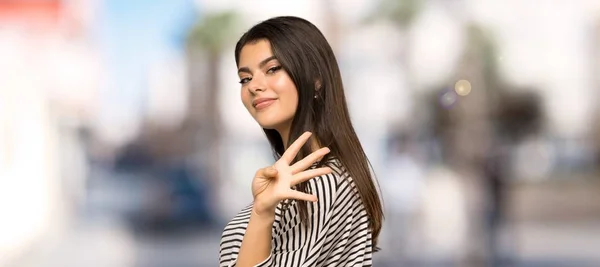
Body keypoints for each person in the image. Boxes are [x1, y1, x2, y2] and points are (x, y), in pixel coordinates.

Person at [219, 16, 384, 267]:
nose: (254, 86)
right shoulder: (303, 181)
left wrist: (262, 214)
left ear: (315, 78)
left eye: (272, 69)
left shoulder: (321, 182)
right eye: (245, 78)